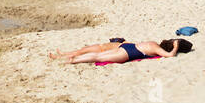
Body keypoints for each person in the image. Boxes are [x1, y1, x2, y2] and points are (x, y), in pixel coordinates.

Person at [48, 38, 191, 64]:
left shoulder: (154, 43)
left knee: (99, 55)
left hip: (127, 47)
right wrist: (176, 48)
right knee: (99, 58)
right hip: (129, 53)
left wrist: (175, 43)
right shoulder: (157, 49)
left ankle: (72, 58)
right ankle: (74, 60)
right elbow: (170, 56)